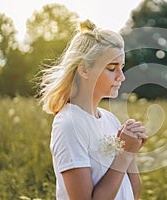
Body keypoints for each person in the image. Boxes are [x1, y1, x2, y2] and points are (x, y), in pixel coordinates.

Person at [38, 19, 148, 200]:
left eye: (122, 67)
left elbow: (133, 193)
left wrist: (131, 149)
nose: (121, 77)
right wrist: (124, 153)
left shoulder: (110, 120)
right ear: (85, 70)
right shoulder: (70, 124)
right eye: (112, 68)